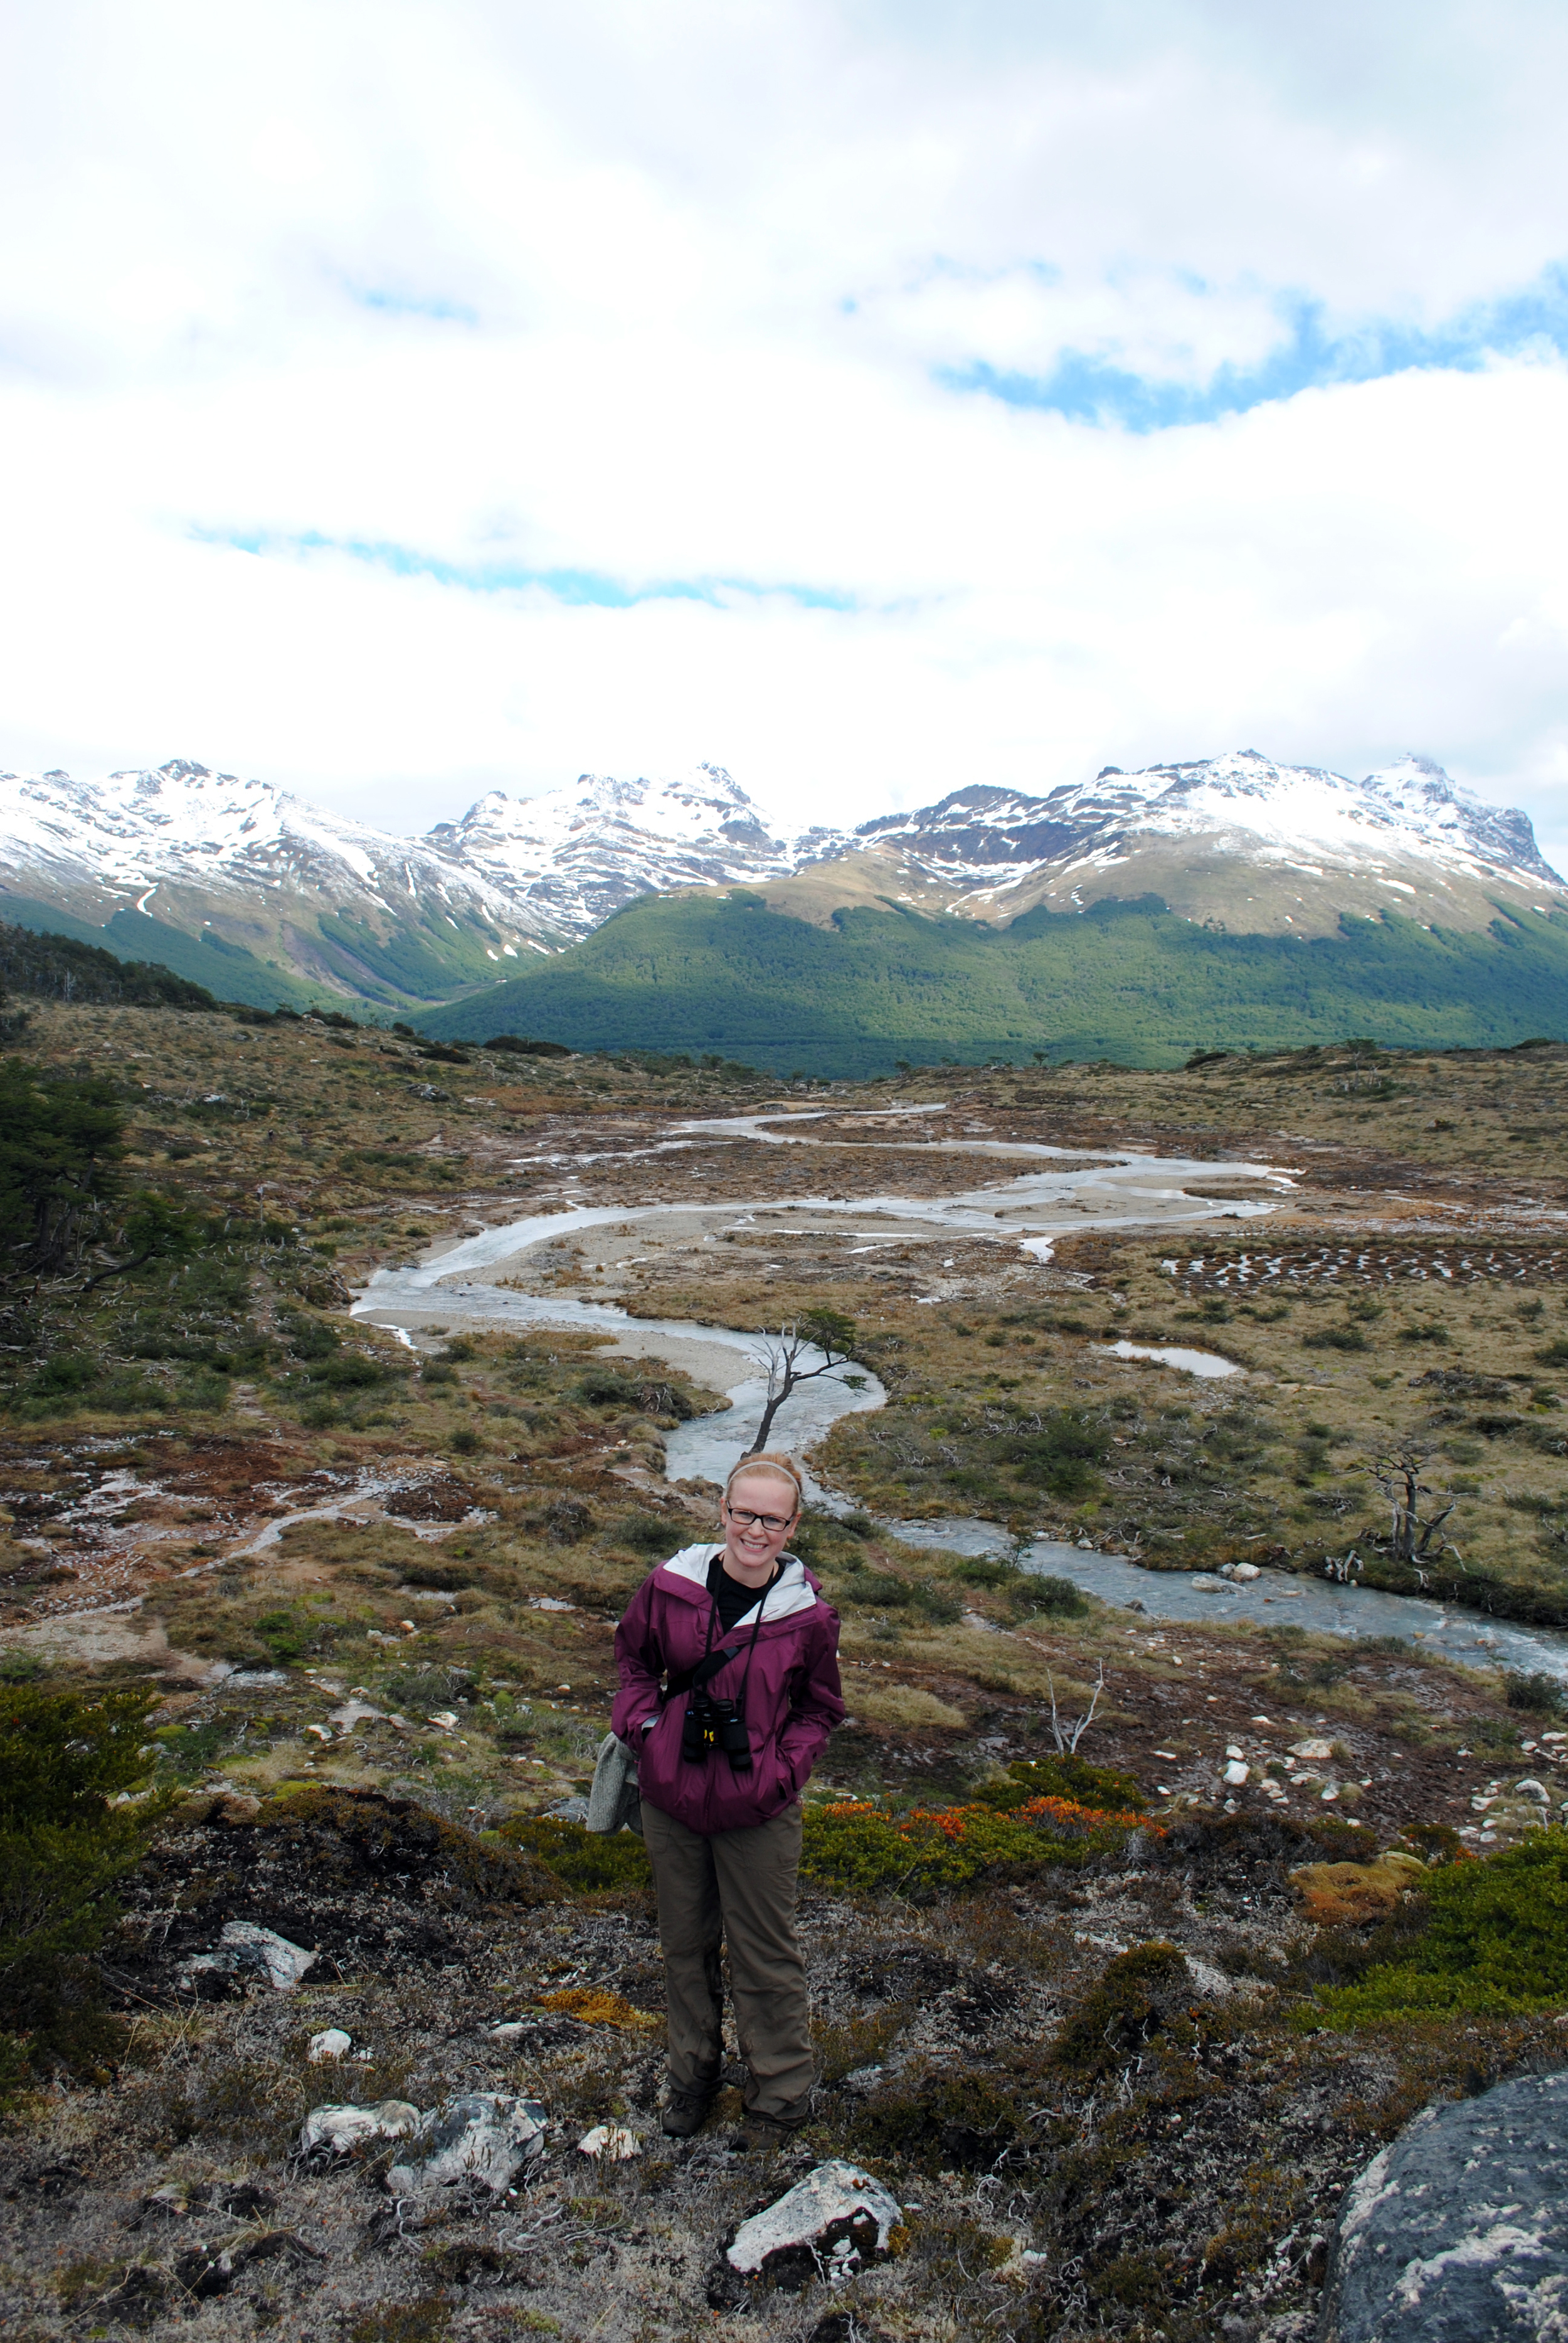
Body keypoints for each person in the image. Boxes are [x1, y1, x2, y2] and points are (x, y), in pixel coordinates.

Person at [612, 1450, 844, 2145]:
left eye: (772, 1519)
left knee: (764, 1953)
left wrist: (781, 1772)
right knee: (684, 1945)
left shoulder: (807, 1618)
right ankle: (693, 2078)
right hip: (672, 1797)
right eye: (745, 1514)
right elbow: (631, 1662)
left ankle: (779, 2098)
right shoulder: (671, 1587)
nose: (755, 1530)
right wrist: (647, 1728)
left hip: (758, 1809)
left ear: (792, 1526)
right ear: (722, 1511)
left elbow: (820, 1708)